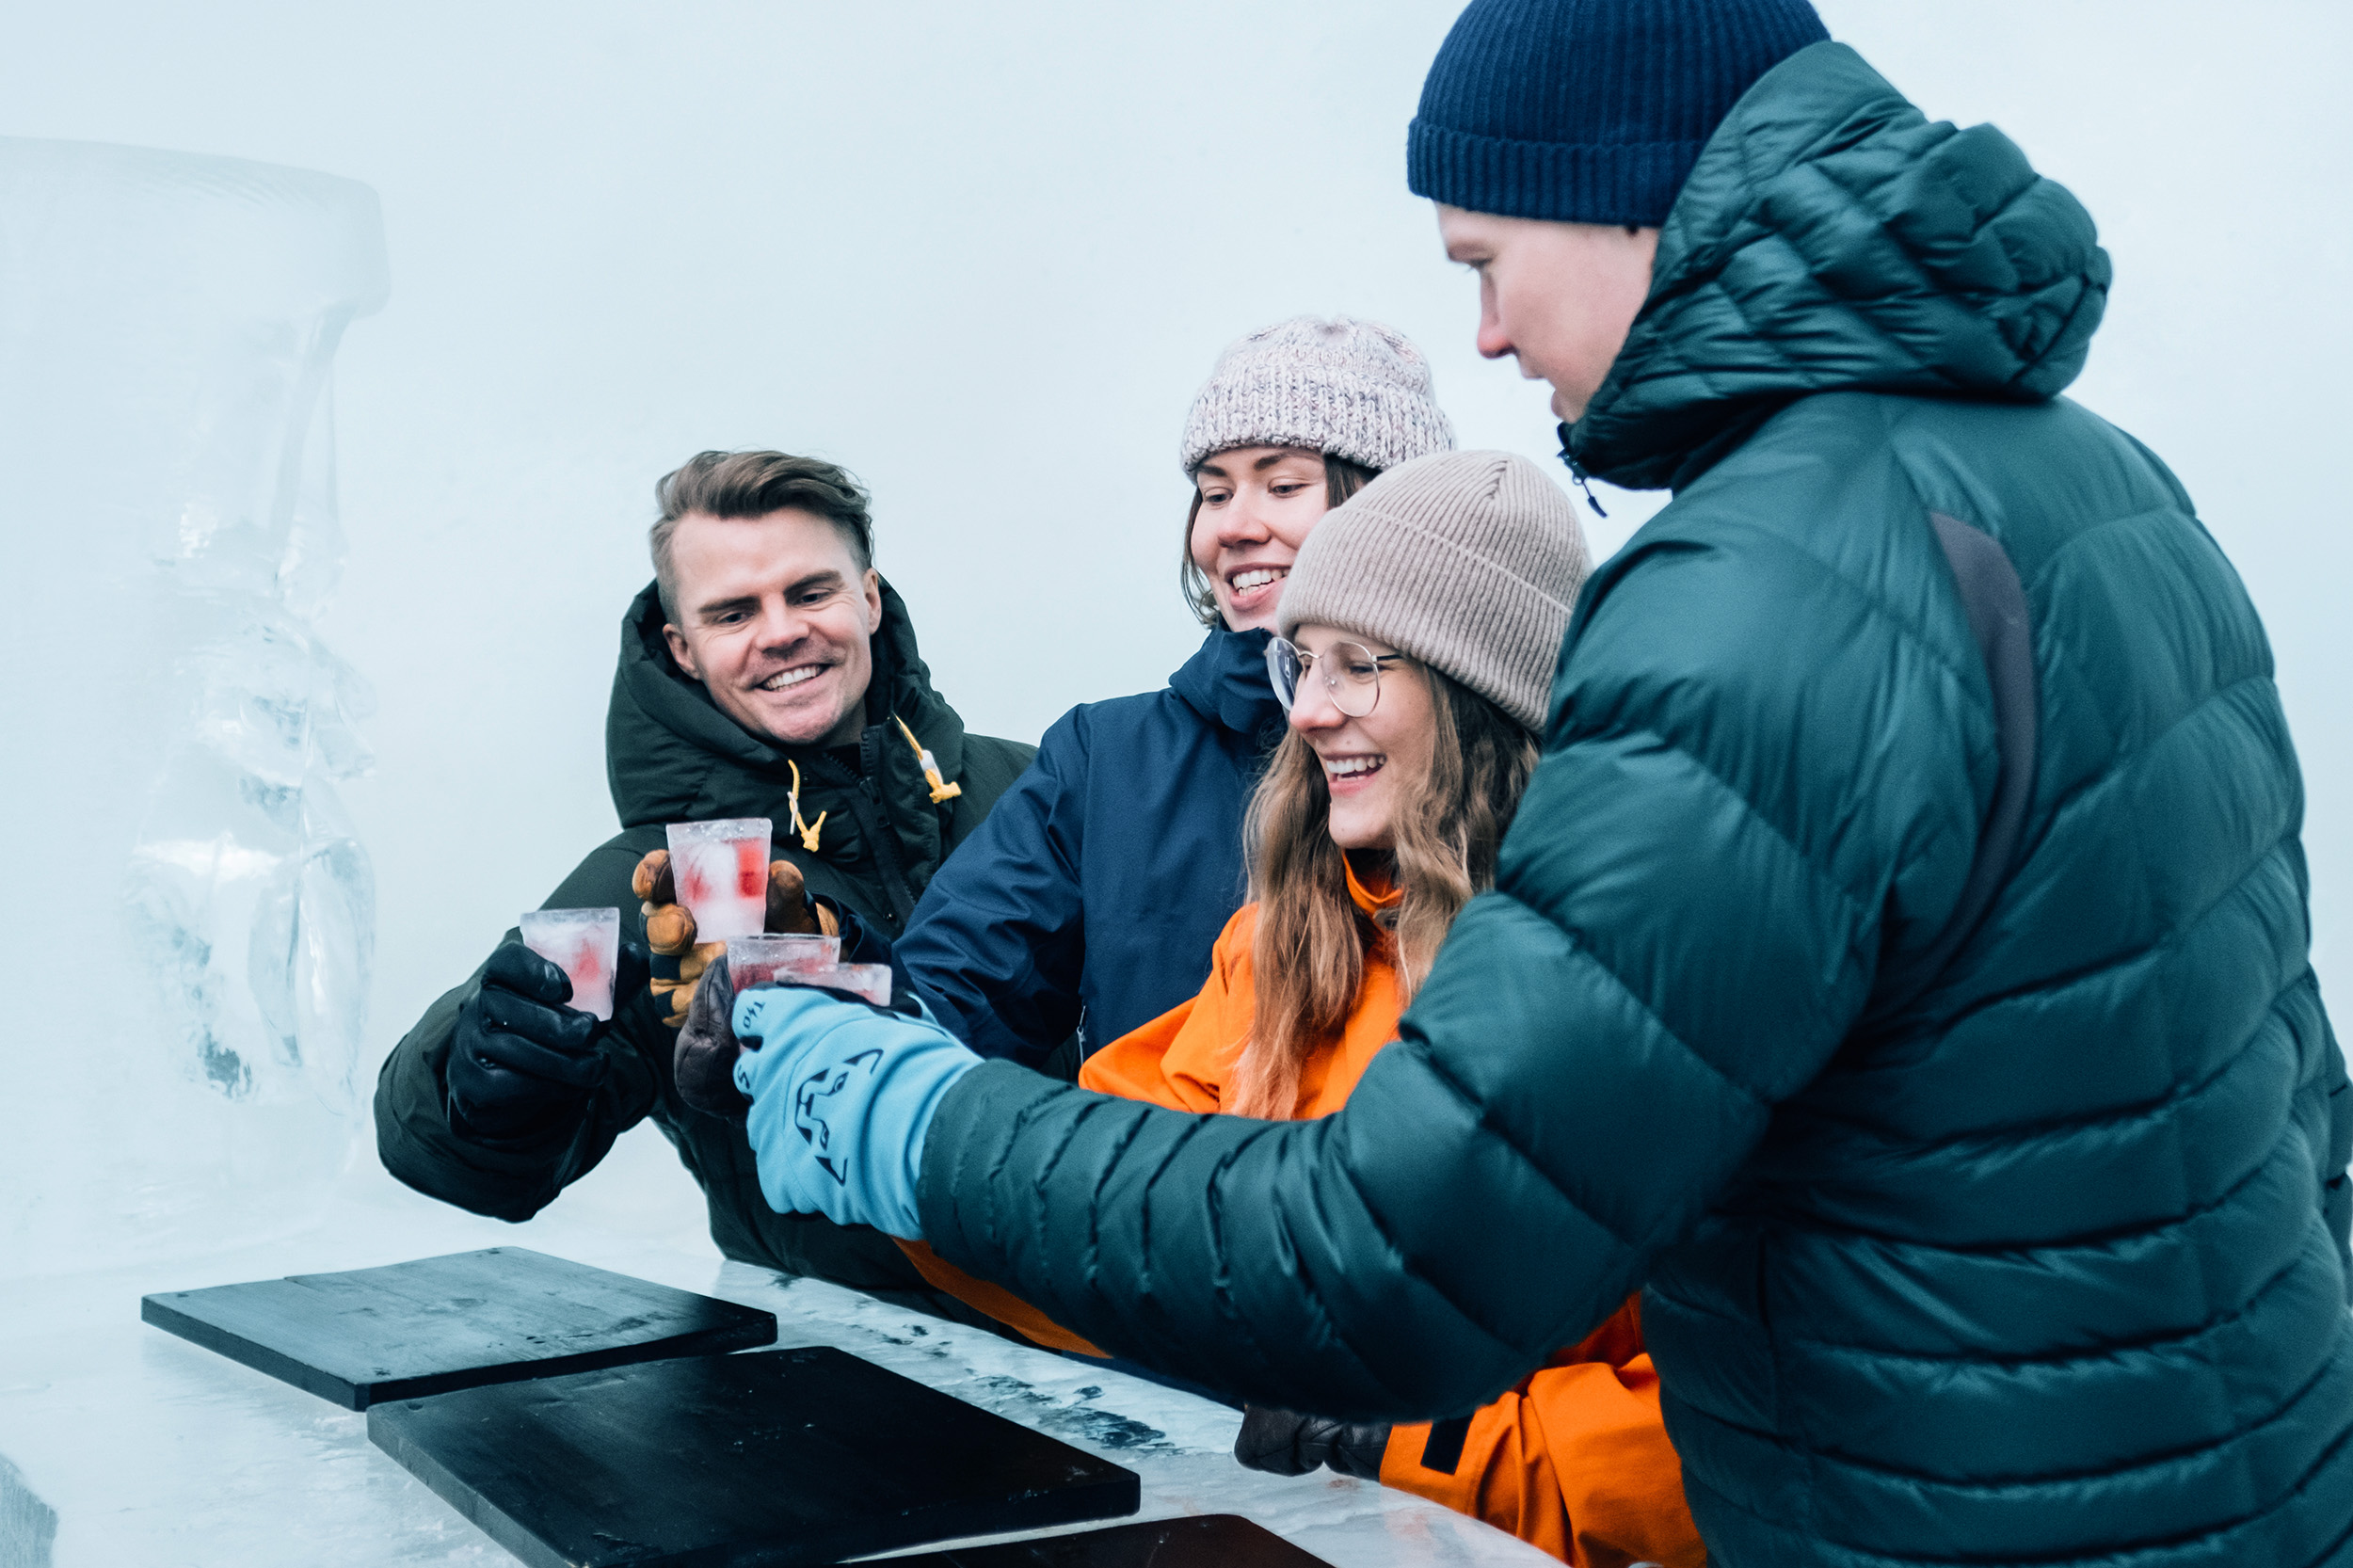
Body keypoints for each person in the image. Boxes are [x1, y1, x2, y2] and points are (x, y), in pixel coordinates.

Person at [674, 2, 2353, 1563]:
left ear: (1624, 199)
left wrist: (903, 1118)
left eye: (1486, 258)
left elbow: (1399, 1251)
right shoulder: (2104, 488)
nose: (1484, 327)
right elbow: (2289, 1086)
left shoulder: (1771, 577)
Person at [696, 451, 1700, 1566]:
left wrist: (1424, 1439)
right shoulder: (1278, 948)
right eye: (1300, 664)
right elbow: (1109, 1226)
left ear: (1482, 696)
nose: (1310, 712)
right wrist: (872, 1118)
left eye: (1360, 665)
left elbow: (1732, 1425)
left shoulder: (1649, 977)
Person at [372, 450, 1036, 1321]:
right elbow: (449, 1156)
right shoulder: (649, 883)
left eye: (810, 592)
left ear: (869, 598)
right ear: (683, 650)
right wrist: (483, 1076)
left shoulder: (1035, 794)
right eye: (733, 613)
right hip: (866, 1351)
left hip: (1148, 1312)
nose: (781, 633)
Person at [885, 316, 1454, 1069]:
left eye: (1282, 484)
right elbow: (953, 991)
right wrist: (810, 1013)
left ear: (1390, 506)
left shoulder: (1487, 749)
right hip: (1152, 1177)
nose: (1233, 527)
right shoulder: (1105, 760)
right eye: (1213, 495)